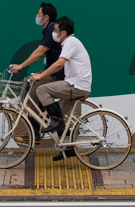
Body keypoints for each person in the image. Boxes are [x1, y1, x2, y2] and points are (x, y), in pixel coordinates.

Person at [32, 16, 92, 161]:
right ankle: (69, 149)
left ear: (63, 33)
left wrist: (41, 76)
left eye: (56, 30)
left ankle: (57, 121)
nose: (54, 33)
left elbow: (59, 64)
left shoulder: (70, 42)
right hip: (77, 84)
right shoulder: (71, 42)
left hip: (75, 85)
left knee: (41, 90)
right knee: (57, 112)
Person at [10, 3, 63, 145]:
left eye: (38, 13)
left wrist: (21, 66)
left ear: (46, 17)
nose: (37, 16)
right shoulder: (49, 30)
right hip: (52, 70)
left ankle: (35, 133)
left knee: (33, 92)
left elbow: (39, 53)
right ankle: (40, 117)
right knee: (26, 83)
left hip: (58, 73)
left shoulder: (52, 30)